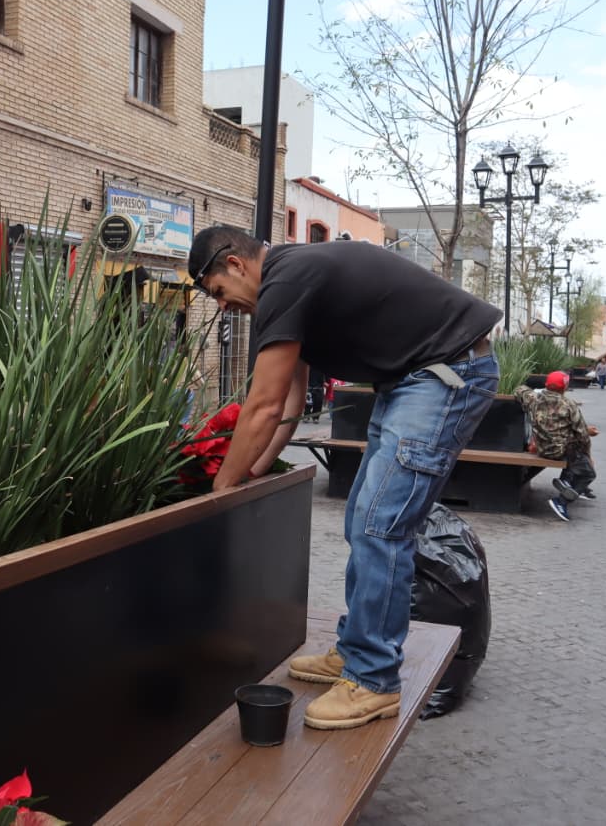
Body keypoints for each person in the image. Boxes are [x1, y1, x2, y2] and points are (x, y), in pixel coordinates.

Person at [188, 224, 500, 731]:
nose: (223, 307)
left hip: (444, 375)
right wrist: (254, 471)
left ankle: (374, 680)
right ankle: (357, 649)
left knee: (382, 525)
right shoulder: (291, 284)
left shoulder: (285, 280)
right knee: (362, 518)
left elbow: (263, 406)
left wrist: (222, 489)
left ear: (236, 264)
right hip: (410, 381)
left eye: (219, 292)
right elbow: (290, 402)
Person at [514, 371, 598, 522]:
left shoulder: (533, 399)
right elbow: (582, 436)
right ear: (564, 387)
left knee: (576, 452)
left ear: (546, 384)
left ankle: (566, 480)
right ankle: (561, 501)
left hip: (541, 449)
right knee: (588, 473)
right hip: (562, 451)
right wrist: (589, 455)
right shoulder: (569, 404)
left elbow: (519, 389)